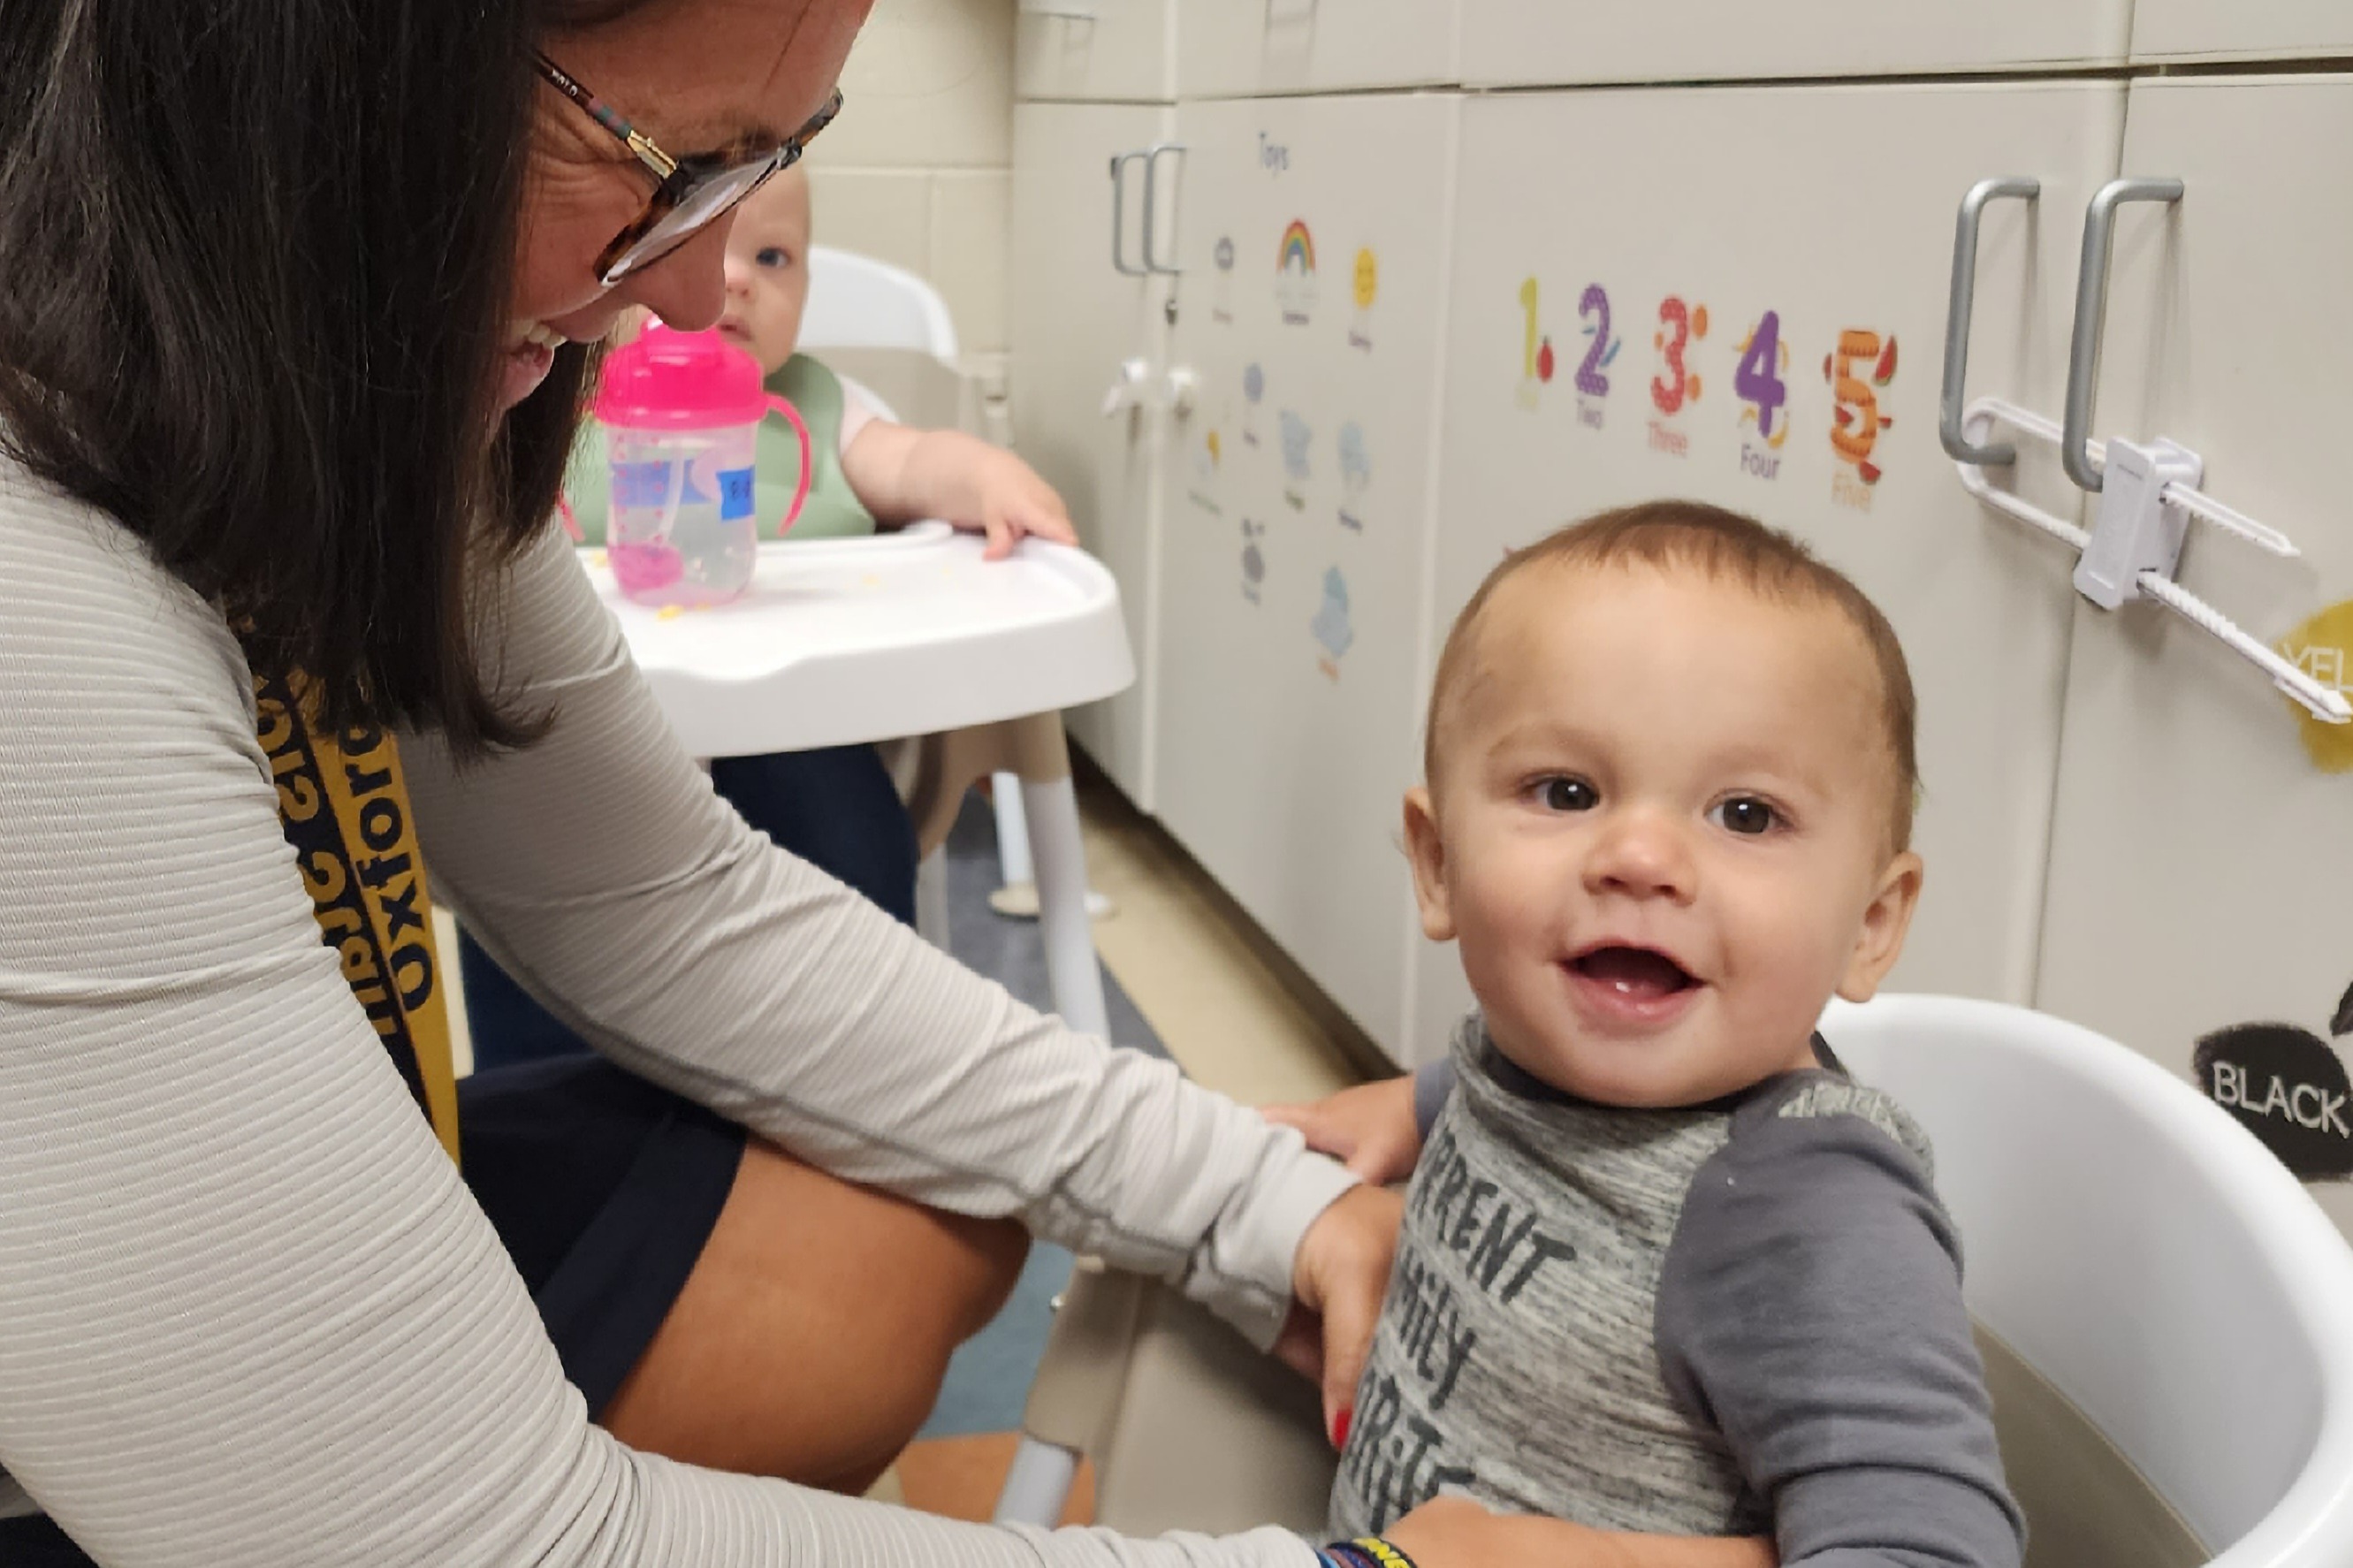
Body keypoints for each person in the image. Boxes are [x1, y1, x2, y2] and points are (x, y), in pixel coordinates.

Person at [0, 4, 1772, 1564]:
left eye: (761, 173)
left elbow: (662, 895)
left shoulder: (338, 381)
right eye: (659, 159)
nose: (696, 293)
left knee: (909, 1201)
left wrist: (1267, 1196)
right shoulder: (40, 597)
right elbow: (487, 1540)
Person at [1276, 504, 2025, 1566]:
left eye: (1746, 814)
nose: (1639, 854)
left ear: (1869, 924)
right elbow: (1511, 1100)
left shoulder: (1803, 1217)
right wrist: (1410, 1104)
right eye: (1567, 791)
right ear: (1438, 861)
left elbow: (1936, 1551)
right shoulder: (1532, 1053)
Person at [461, 164, 1075, 1067]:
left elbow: (910, 462)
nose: (734, 278)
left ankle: (860, 1056)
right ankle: (554, 1098)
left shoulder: (822, 413)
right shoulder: (551, 406)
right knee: (517, 864)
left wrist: (984, 477)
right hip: (579, 742)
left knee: (855, 837)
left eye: (774, 257)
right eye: (685, 242)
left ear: (807, 289)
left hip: (792, 742)